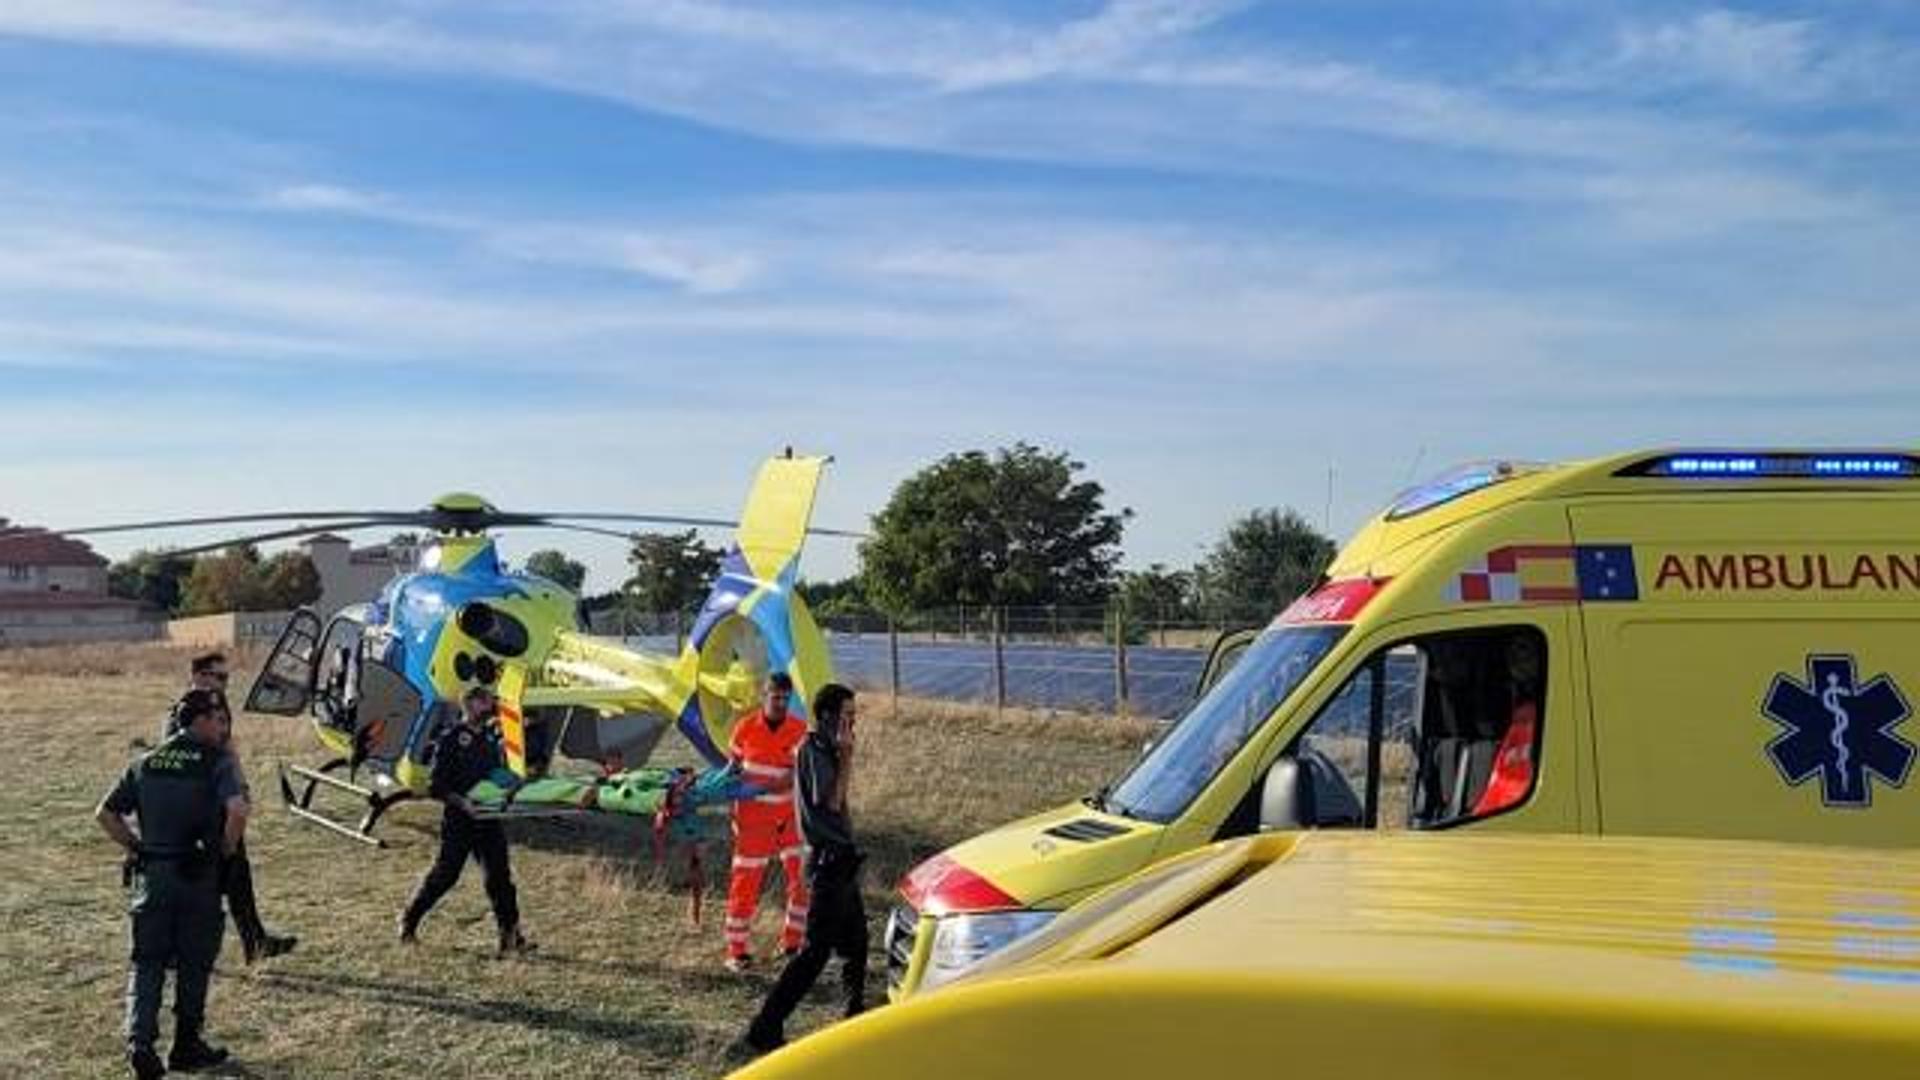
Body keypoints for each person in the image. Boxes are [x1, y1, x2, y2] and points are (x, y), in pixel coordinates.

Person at [97, 689, 247, 1079]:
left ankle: (140, 1045)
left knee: (146, 961)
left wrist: (136, 846)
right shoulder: (219, 762)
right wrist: (226, 851)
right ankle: (186, 1044)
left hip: (153, 875)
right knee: (195, 963)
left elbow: (105, 813)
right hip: (198, 876)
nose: (223, 726)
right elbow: (237, 809)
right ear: (199, 720)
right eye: (218, 719)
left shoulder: (145, 762)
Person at [743, 683, 868, 1053]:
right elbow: (829, 802)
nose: (852, 723)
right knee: (814, 955)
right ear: (829, 717)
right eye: (847, 716)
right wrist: (847, 758)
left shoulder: (828, 747)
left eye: (854, 716)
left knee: (858, 944)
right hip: (828, 865)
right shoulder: (813, 750)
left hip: (843, 862)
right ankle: (765, 1027)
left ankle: (855, 1013)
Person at [166, 652, 297, 964]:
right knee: (199, 880)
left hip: (224, 802)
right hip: (201, 810)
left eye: (227, 677)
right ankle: (175, 949)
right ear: (198, 674)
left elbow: (229, 747)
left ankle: (256, 942)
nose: (225, 683)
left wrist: (242, 786)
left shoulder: (216, 705)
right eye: (219, 676)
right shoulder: (183, 712)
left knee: (237, 875)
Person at [397, 685, 535, 956]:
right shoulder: (450, 739)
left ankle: (511, 936)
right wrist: (463, 803)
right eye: (485, 702)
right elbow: (436, 786)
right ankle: (409, 920)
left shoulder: (490, 738)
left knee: (499, 878)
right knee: (446, 875)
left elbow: (495, 775)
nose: (491, 706)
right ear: (470, 705)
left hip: (488, 818)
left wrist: (512, 786)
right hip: (459, 818)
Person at [723, 672, 810, 972]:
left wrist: (788, 780)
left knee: (802, 882)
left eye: (786, 698)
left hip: (790, 820)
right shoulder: (745, 728)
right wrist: (727, 801)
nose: (781, 703)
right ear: (764, 695)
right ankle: (737, 951)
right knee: (745, 884)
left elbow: (805, 775)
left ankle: (792, 945)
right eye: (775, 697)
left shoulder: (800, 731)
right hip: (753, 821)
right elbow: (731, 771)